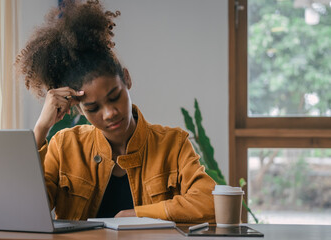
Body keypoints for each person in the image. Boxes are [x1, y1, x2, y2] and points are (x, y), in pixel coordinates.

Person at [15, 0, 215, 223]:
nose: (109, 113)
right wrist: (41, 128)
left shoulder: (173, 144)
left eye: (114, 97)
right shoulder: (64, 146)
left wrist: (137, 215)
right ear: (77, 106)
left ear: (127, 80)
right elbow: (23, 212)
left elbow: (210, 202)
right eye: (93, 108)